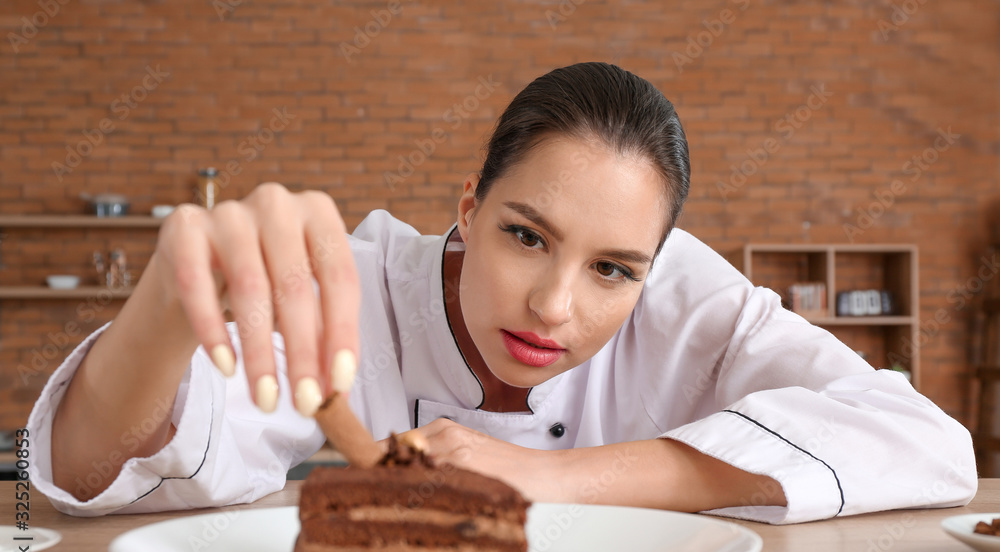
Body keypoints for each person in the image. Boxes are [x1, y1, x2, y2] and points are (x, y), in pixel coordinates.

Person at [28, 62, 975, 523]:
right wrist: (161, 313)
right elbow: (86, 472)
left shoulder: (689, 295)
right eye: (526, 236)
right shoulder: (360, 286)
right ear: (469, 206)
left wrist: (549, 477)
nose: (555, 306)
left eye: (613, 267)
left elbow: (930, 443)